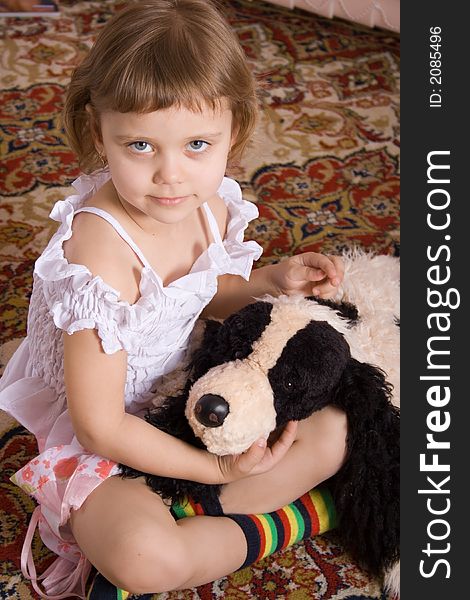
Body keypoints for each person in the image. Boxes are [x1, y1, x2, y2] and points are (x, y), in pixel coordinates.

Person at [0, 1, 347, 597]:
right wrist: (216, 469)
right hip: (113, 435)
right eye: (139, 146)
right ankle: (277, 516)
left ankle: (211, 501)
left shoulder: (208, 206)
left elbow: (203, 294)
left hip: (190, 391)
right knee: (141, 558)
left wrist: (269, 283)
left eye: (196, 145)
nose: (170, 175)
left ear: (233, 130)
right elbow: (101, 426)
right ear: (97, 133)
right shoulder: (99, 255)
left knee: (336, 429)